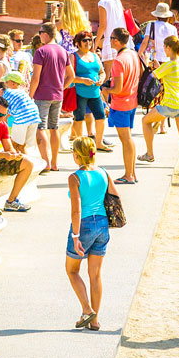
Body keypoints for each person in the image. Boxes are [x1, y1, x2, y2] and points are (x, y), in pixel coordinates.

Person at [65, 136, 117, 332]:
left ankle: (87, 310)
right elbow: (115, 196)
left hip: (84, 225)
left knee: (72, 271)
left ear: (76, 155)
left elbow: (76, 210)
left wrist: (75, 236)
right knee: (95, 275)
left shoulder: (75, 177)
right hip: (102, 224)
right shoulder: (103, 172)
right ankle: (94, 321)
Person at [137, 36, 179, 177]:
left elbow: (152, 76)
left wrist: (148, 62)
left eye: (164, 47)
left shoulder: (169, 64)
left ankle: (149, 154)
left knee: (145, 121)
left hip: (170, 104)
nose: (163, 49)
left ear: (169, 48)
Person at [29, 21, 69, 171]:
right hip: (57, 95)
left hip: (42, 95)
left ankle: (45, 163)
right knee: (54, 128)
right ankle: (54, 163)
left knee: (40, 129)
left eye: (40, 32)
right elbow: (71, 75)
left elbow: (35, 78)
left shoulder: (41, 51)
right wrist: (61, 87)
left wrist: (30, 96)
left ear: (45, 34)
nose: (39, 35)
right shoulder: (63, 51)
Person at [105, 28, 141, 184]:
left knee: (126, 140)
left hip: (121, 104)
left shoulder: (119, 60)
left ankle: (128, 175)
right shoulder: (133, 54)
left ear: (116, 40)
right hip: (132, 101)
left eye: (111, 37)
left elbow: (117, 88)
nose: (110, 40)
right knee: (128, 139)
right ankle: (132, 173)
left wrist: (106, 90)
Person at [66, 31, 108, 149]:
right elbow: (69, 76)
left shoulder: (95, 56)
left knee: (101, 116)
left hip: (95, 93)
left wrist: (101, 79)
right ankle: (80, 145)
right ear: (78, 43)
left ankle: (99, 143)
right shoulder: (73, 56)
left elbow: (102, 72)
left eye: (90, 40)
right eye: (85, 40)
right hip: (79, 93)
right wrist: (83, 80)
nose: (88, 42)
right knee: (79, 118)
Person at [0, 70, 39, 153]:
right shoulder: (18, 92)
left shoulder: (5, 95)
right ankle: (25, 160)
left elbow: (4, 117)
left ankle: (14, 160)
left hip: (23, 118)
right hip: (34, 117)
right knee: (22, 146)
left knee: (12, 145)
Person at [90, 0, 126, 78]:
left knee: (108, 76)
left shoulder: (102, 3)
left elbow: (102, 26)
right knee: (121, 75)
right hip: (123, 39)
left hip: (111, 41)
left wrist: (95, 44)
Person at [139, 1, 177, 68]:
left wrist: (139, 54)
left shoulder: (151, 25)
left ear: (157, 15)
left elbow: (145, 42)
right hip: (168, 60)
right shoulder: (173, 28)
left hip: (153, 59)